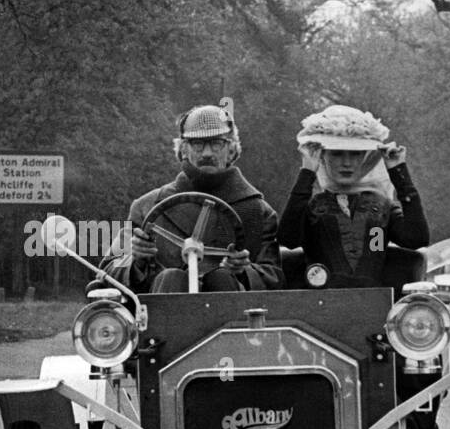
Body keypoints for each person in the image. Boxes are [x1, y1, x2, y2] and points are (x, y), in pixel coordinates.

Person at [102, 105, 282, 293]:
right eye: (198, 144)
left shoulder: (258, 211)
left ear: (231, 149)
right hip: (162, 313)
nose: (207, 153)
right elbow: (107, 272)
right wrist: (136, 260)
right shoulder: (146, 207)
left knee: (222, 278)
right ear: (183, 150)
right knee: (171, 277)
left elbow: (274, 278)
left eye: (216, 143)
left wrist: (243, 270)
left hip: (233, 315)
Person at [276, 104, 429, 286]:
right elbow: (288, 239)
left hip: (374, 304)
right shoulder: (312, 207)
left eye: (355, 154)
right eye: (337, 154)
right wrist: (307, 171)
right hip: (321, 305)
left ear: (364, 158)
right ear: (323, 157)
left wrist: (399, 172)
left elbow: (416, 238)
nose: (346, 163)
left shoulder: (381, 208)